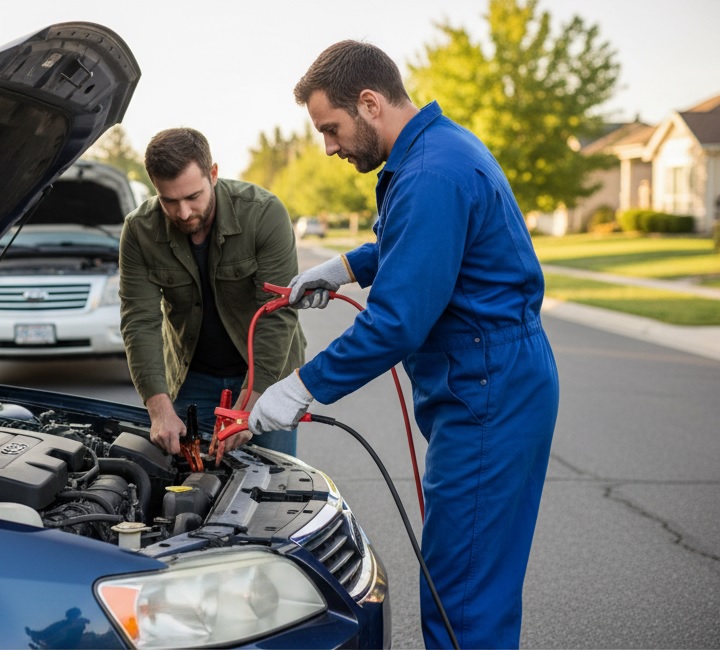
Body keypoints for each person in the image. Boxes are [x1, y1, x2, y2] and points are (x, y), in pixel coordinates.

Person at [249, 40, 560, 649]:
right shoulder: (438, 149)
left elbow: (395, 323)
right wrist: (343, 267)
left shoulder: (428, 173)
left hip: (488, 388)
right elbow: (416, 239)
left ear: (370, 103)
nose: (329, 147)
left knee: (462, 591)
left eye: (331, 129)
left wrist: (299, 387)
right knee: (476, 577)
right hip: (496, 378)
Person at [119, 127, 305, 458]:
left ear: (213, 174)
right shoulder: (138, 230)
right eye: (169, 201)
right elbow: (139, 320)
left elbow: (277, 314)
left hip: (267, 377)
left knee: (274, 475)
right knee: (192, 480)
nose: (183, 213)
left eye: (193, 197)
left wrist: (248, 405)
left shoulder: (264, 213)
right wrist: (158, 408)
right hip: (192, 379)